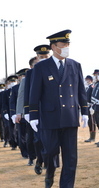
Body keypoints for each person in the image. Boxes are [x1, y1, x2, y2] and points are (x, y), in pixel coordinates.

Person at [29, 29, 88, 188]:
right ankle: (49, 174)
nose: (67, 46)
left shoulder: (75, 65)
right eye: (64, 44)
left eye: (68, 44)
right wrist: (33, 114)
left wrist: (85, 111)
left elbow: (80, 90)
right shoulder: (41, 67)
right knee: (49, 153)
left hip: (70, 117)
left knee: (70, 158)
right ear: (54, 46)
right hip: (50, 118)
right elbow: (35, 93)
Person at [24, 45, 51, 174]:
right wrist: (27, 111)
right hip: (37, 111)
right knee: (38, 139)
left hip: (52, 110)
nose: (44, 59)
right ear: (37, 57)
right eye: (41, 57)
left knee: (52, 140)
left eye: (46, 57)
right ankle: (39, 160)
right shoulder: (31, 73)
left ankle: (50, 163)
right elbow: (27, 93)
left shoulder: (55, 69)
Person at [84, 75, 95, 142]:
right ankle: (91, 136)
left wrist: (92, 106)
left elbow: (92, 96)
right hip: (87, 105)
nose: (87, 81)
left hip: (91, 105)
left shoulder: (92, 87)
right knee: (89, 122)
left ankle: (93, 137)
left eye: (87, 80)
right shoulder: (87, 87)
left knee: (92, 122)